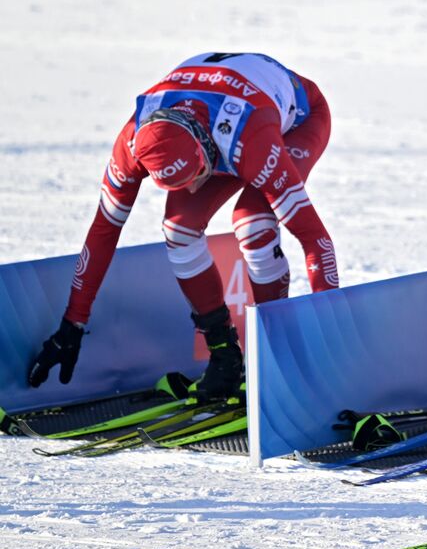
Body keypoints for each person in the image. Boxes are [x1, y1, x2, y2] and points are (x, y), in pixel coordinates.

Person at [27, 52, 340, 401]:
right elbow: (103, 231)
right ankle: (224, 356)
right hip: (215, 123)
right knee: (179, 231)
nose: (193, 190)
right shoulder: (132, 141)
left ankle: (272, 358)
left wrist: (326, 328)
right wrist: (73, 323)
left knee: (253, 224)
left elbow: (314, 238)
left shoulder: (251, 140)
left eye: (197, 178)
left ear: (205, 151)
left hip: (292, 120)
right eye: (181, 184)